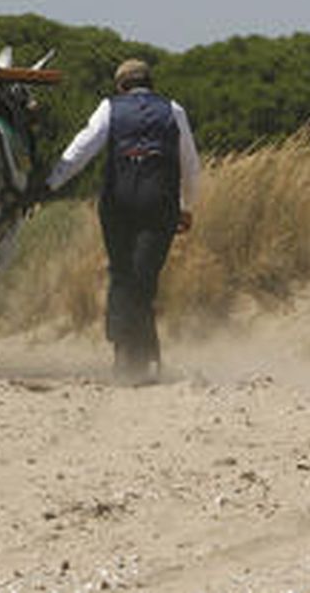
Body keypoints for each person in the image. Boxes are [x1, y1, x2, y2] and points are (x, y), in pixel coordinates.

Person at [43, 59, 200, 383]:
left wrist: (50, 183)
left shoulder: (109, 108)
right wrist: (187, 205)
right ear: (150, 83)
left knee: (121, 274)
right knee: (144, 279)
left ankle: (124, 355)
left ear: (120, 86)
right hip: (160, 206)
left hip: (118, 205)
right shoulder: (174, 110)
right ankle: (143, 358)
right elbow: (191, 164)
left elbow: (81, 148)